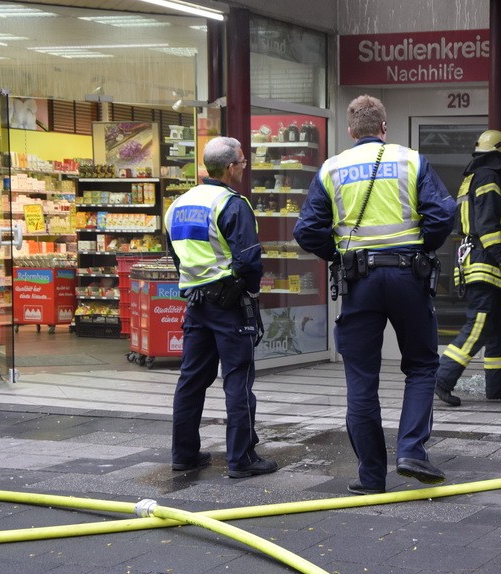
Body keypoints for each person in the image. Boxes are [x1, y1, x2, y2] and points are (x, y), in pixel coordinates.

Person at [293, 95, 455, 495]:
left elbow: (306, 231)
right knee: (420, 366)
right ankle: (411, 451)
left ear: (351, 131)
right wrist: (420, 249)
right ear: (384, 127)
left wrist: (341, 256)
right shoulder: (410, 159)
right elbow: (443, 214)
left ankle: (370, 478)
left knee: (360, 378)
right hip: (407, 277)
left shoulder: (332, 169)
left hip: (359, 283)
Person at [165, 136, 277, 478]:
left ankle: (184, 454)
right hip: (230, 306)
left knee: (191, 381)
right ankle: (241, 459)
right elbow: (248, 260)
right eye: (242, 163)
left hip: (196, 303)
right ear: (230, 168)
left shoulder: (178, 205)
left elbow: (175, 256)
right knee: (238, 380)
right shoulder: (233, 204)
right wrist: (250, 295)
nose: (244, 167)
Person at [434, 130, 501, 406]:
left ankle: (498, 385)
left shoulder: (471, 179)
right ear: (498, 156)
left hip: (475, 260)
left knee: (497, 327)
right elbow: (487, 227)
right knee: (480, 325)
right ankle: (441, 378)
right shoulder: (489, 179)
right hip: (485, 262)